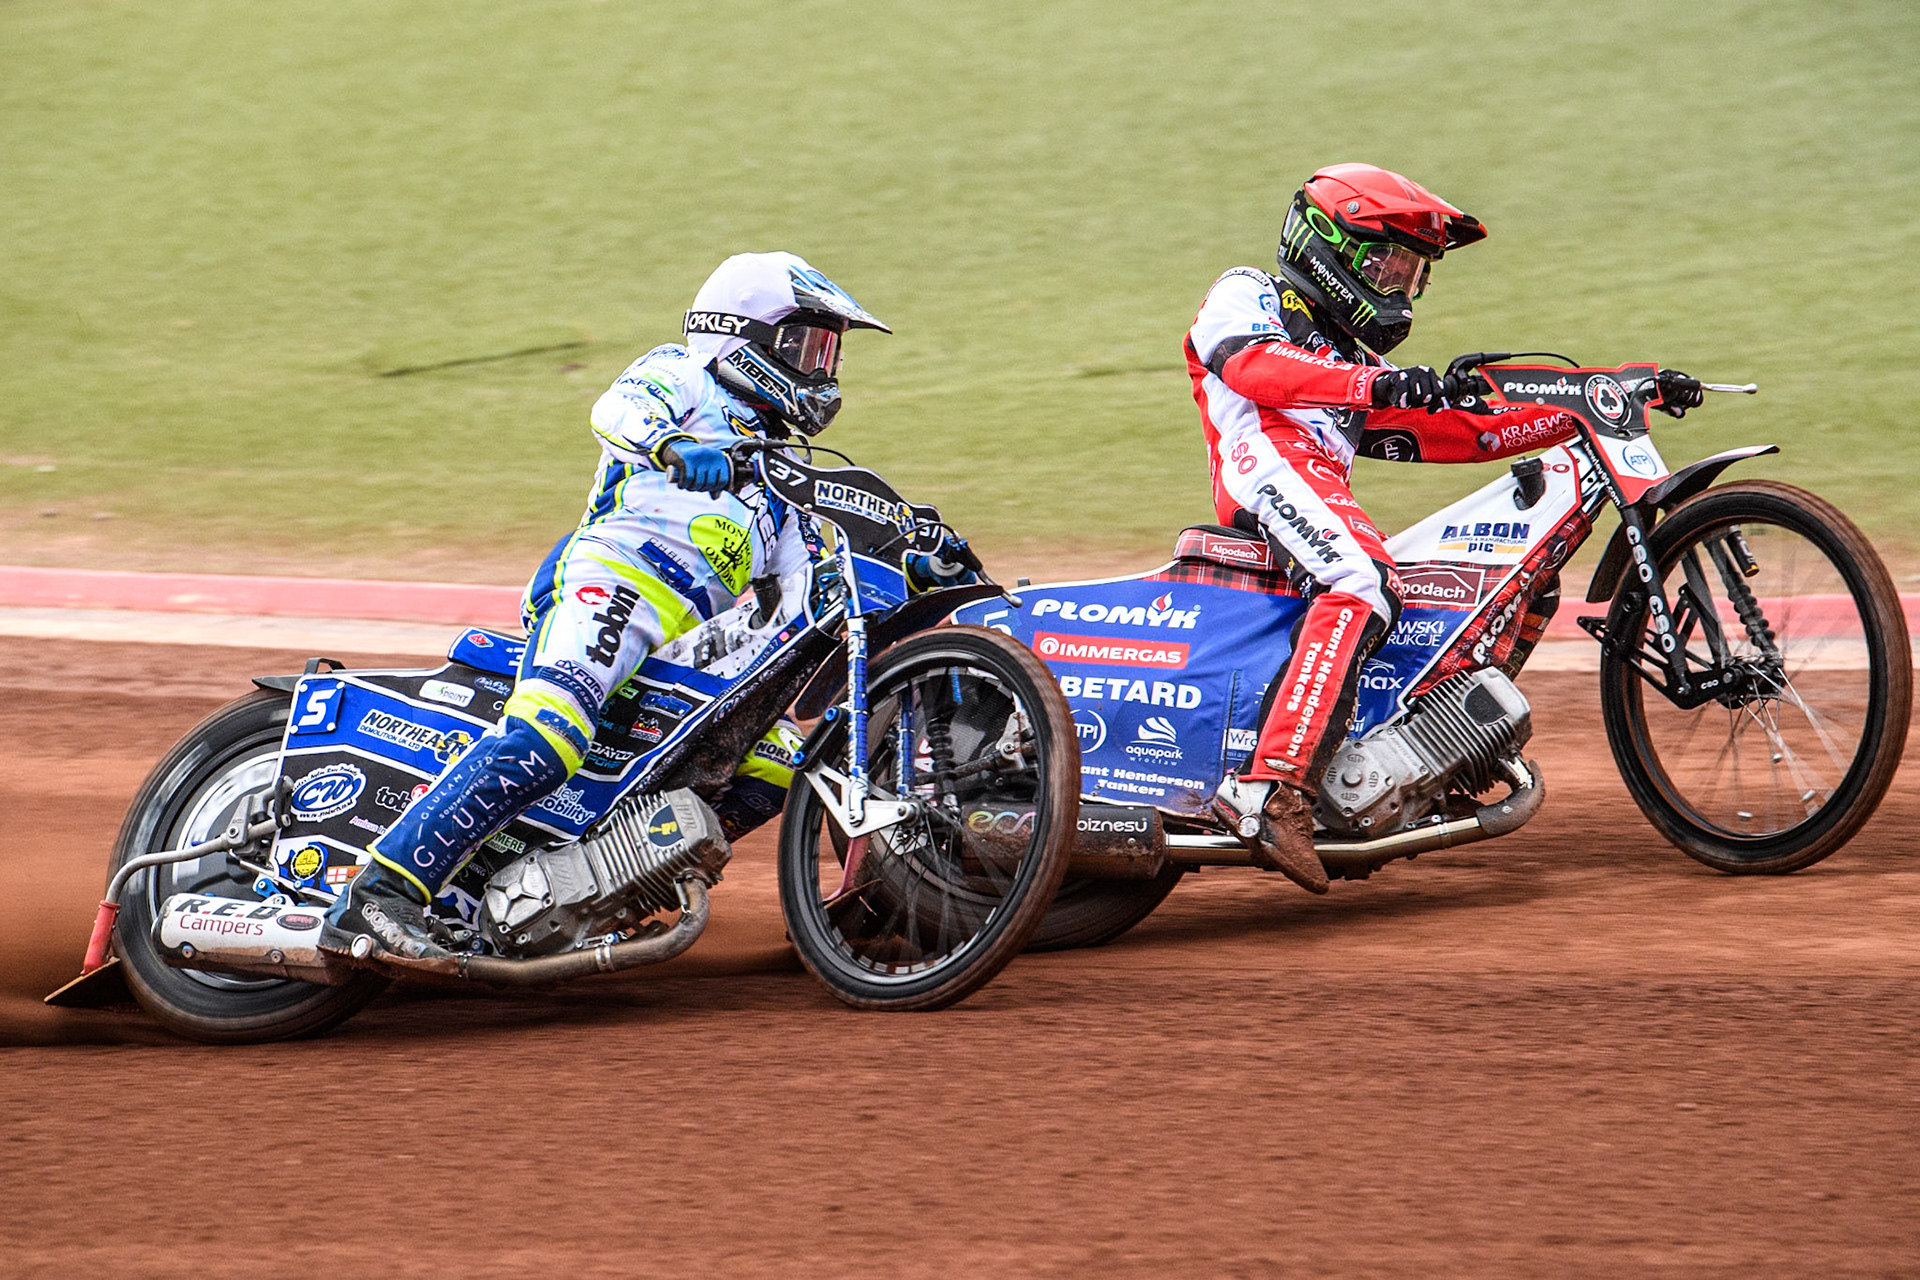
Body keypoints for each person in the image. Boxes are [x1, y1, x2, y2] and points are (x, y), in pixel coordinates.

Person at [323, 252, 955, 963]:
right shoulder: (683, 373)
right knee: (549, 739)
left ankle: (601, 889)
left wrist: (917, 566)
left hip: (681, 639)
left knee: (781, 762)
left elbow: (813, 576)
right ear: (740, 334)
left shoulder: (781, 466)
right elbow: (617, 411)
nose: (820, 369)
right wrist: (675, 444)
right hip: (610, 582)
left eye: (827, 352)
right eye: (805, 346)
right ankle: (377, 897)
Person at [1187, 164, 1703, 893]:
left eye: (1413, 274)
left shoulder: (1353, 361)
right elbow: (1256, 369)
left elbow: (1459, 432)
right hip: (1262, 461)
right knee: (1361, 580)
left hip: (1318, 481)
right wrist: (1380, 383)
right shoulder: (1248, 292)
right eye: (1389, 265)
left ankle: (1443, 757)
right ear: (1328, 247)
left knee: (1514, 585)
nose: (1400, 287)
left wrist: (1603, 395)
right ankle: (1276, 793)